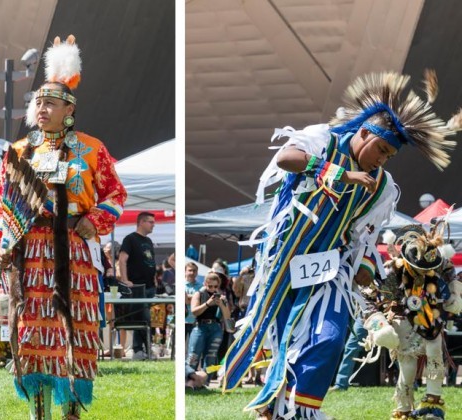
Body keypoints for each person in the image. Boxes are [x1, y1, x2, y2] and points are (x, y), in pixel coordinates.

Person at [221, 70, 462, 419]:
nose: (382, 159)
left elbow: (363, 234)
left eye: (389, 156)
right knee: (285, 340)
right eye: (380, 149)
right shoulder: (324, 140)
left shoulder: (382, 186)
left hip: (331, 266)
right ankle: (276, 409)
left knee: (330, 338)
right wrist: (339, 173)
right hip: (285, 259)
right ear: (363, 133)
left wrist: (364, 265)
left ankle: (304, 412)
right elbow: (286, 159)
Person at [0, 35, 126, 420]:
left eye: (50, 103)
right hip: (29, 251)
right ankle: (39, 410)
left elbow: (115, 194)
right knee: (31, 327)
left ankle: (72, 410)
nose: (41, 108)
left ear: (69, 110)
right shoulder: (19, 151)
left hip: (74, 249)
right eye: (37, 102)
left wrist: (94, 223)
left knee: (75, 325)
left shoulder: (92, 149)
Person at [360, 225, 462, 419]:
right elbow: (368, 299)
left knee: (435, 353)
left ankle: (433, 405)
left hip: (431, 316)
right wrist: (379, 326)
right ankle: (403, 410)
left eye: (429, 269)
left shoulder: (437, 262)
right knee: (407, 367)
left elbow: (450, 272)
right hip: (403, 319)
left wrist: (455, 294)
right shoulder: (394, 273)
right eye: (421, 269)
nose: (426, 273)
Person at [119, 212, 157, 361]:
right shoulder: (130, 239)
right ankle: (142, 349)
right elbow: (122, 260)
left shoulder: (148, 241)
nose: (153, 225)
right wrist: (125, 280)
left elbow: (150, 262)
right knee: (143, 318)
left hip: (149, 286)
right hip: (136, 285)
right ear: (141, 222)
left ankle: (141, 349)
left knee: (145, 319)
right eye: (150, 222)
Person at [188, 272, 229, 382]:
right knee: (193, 356)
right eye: (210, 286)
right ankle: (189, 381)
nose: (212, 289)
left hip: (215, 328)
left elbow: (227, 316)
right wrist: (208, 303)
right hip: (200, 327)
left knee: (211, 357)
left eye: (215, 286)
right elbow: (194, 311)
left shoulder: (221, 297)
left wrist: (221, 304)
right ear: (205, 284)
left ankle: (206, 382)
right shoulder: (199, 294)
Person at [184, 262, 202, 348]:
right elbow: (186, 301)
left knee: (193, 347)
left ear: (197, 272)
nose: (192, 273)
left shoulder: (201, 286)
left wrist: (188, 297)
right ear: (185, 272)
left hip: (195, 321)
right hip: (183, 320)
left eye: (194, 271)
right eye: (190, 270)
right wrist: (195, 296)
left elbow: (201, 300)